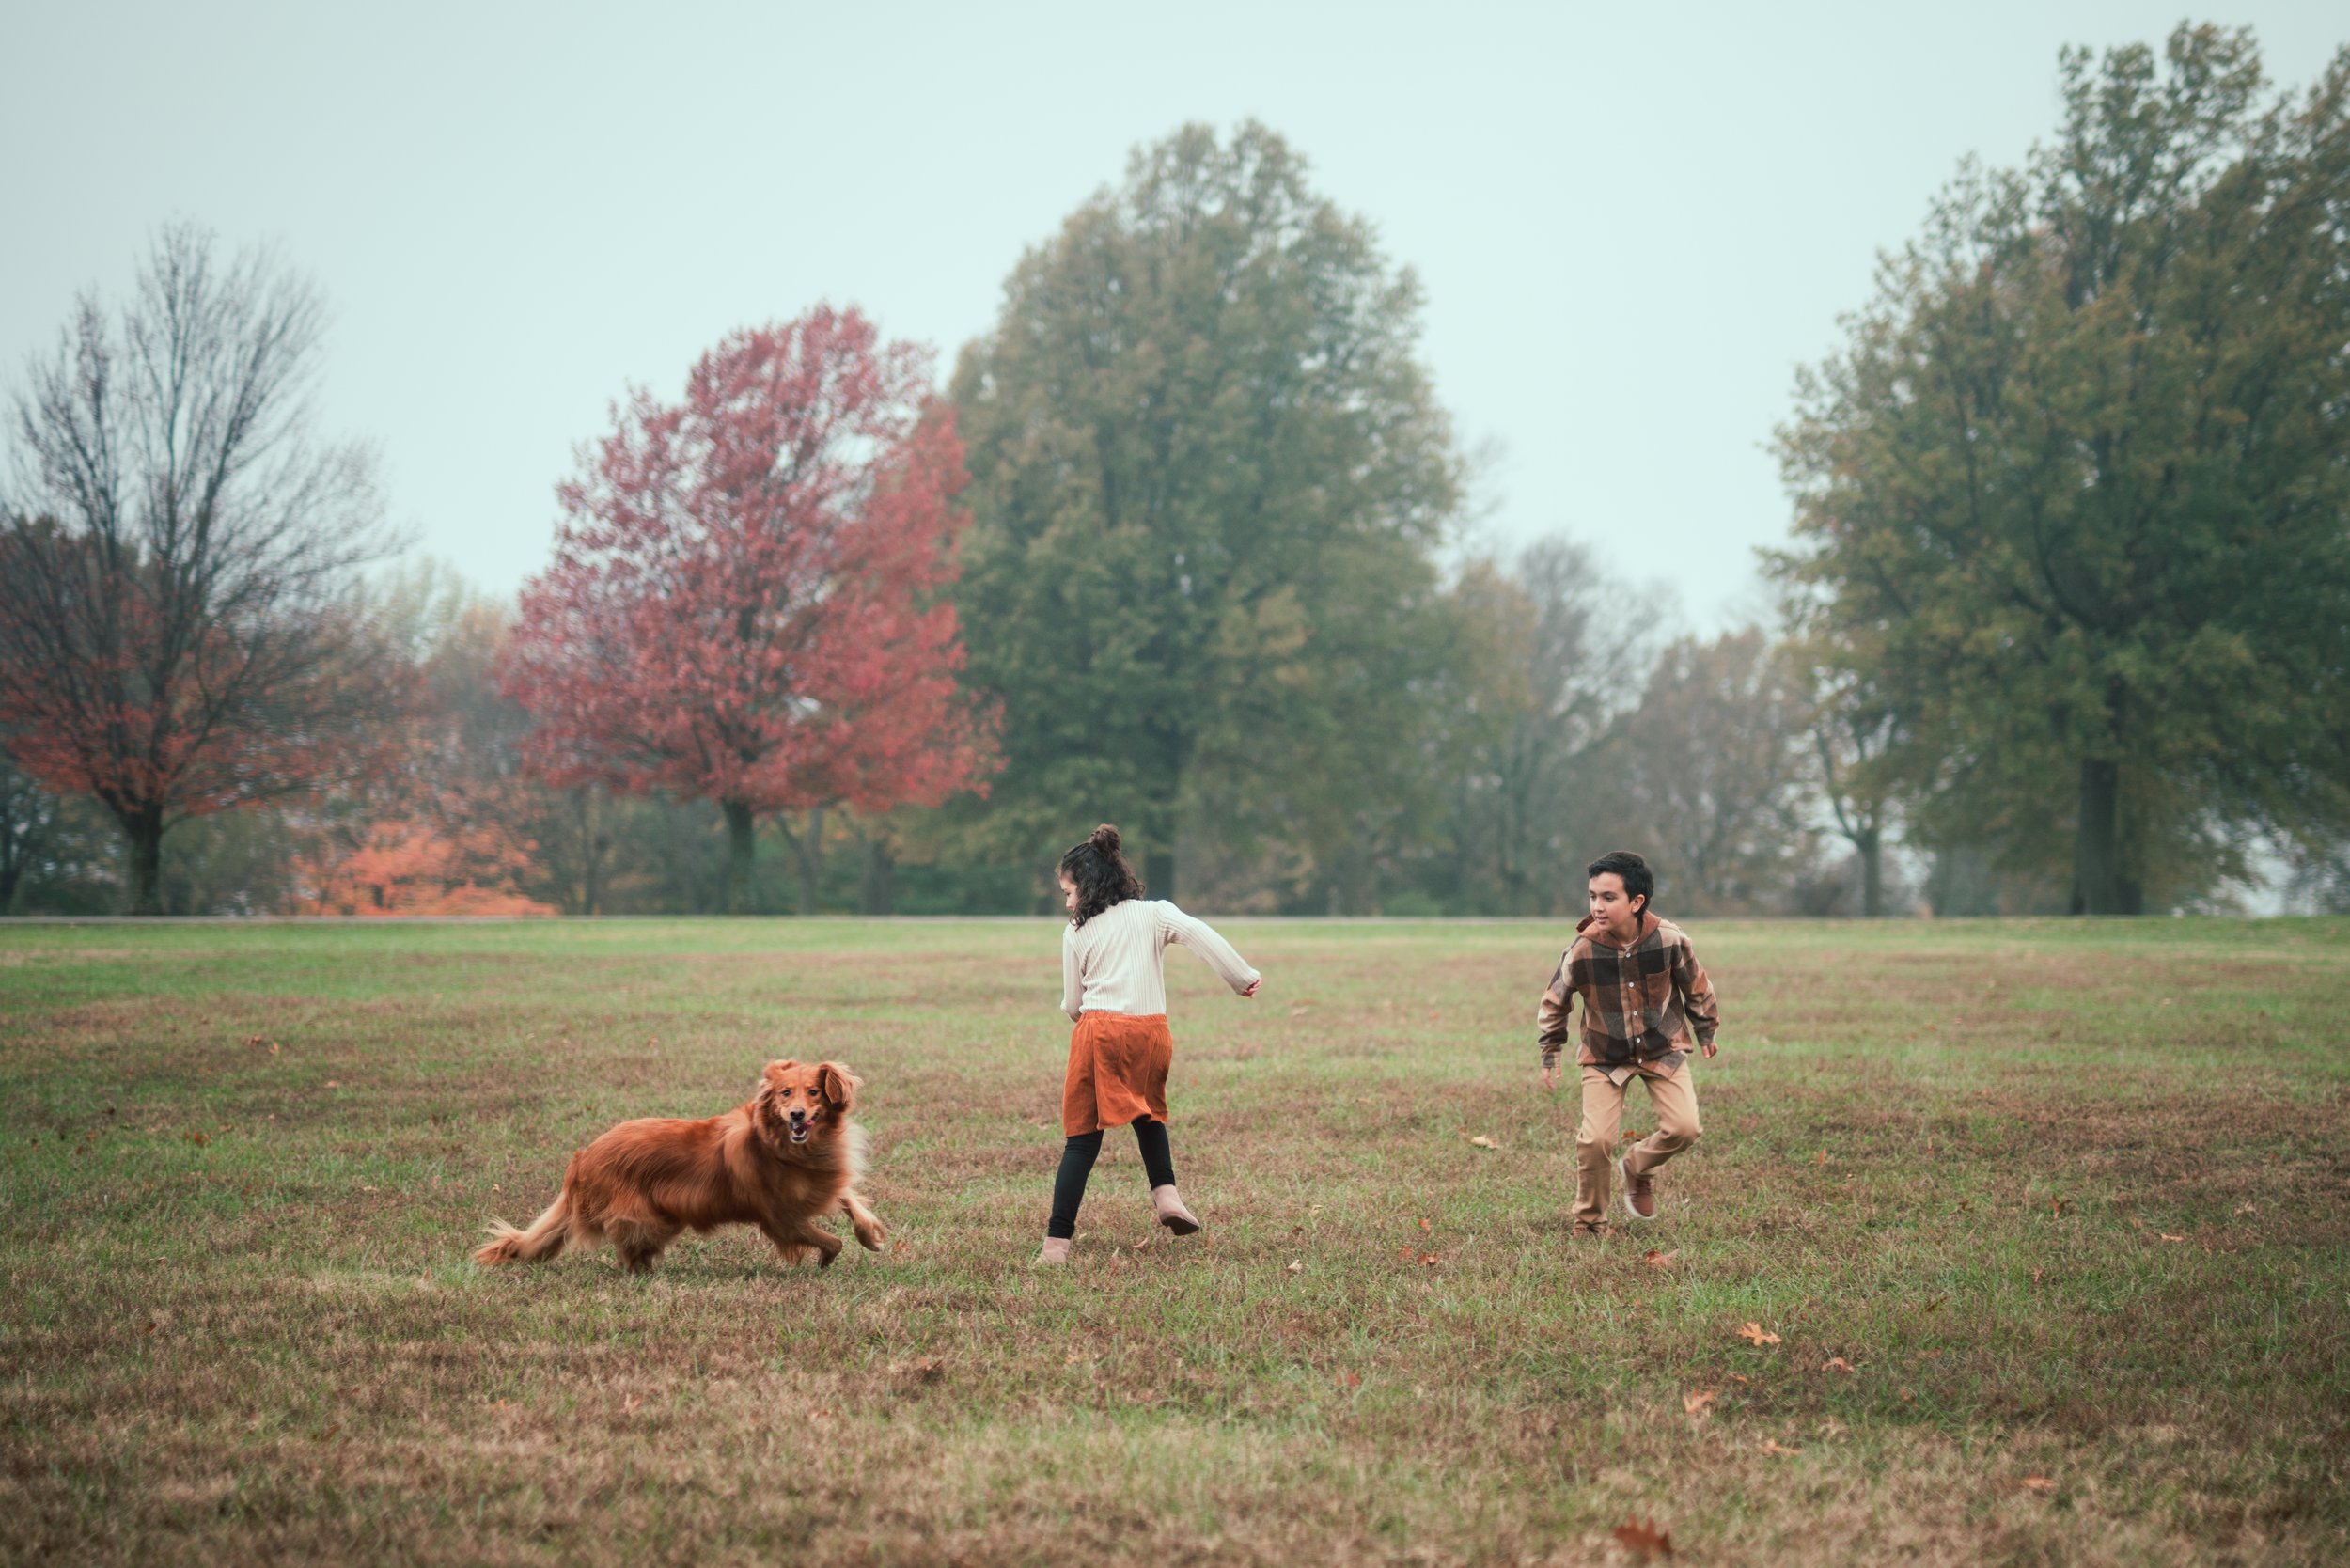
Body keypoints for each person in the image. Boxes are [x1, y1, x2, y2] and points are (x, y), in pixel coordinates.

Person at [1038, 823, 1261, 1264]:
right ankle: (1168, 1197)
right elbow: (1201, 934)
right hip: (1151, 1031)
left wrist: (1073, 1009)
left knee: (1082, 1141)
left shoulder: (1077, 931)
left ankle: (1056, 1245)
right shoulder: (1155, 913)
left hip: (1099, 1031)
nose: (1066, 902)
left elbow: (1074, 1003)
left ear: (1088, 885)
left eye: (1068, 891)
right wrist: (1242, 977)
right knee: (1149, 1113)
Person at [1537, 850, 1720, 1234]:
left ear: (1637, 902)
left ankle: (1637, 1166)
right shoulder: (1582, 949)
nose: (1597, 906)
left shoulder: (1670, 940)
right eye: (1592, 896)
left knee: (1685, 1128)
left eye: (1609, 897)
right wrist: (1550, 1049)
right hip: (1605, 1054)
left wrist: (1706, 1028)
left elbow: (1696, 985)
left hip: (1662, 1047)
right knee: (1596, 1140)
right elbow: (1556, 1000)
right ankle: (1590, 1223)